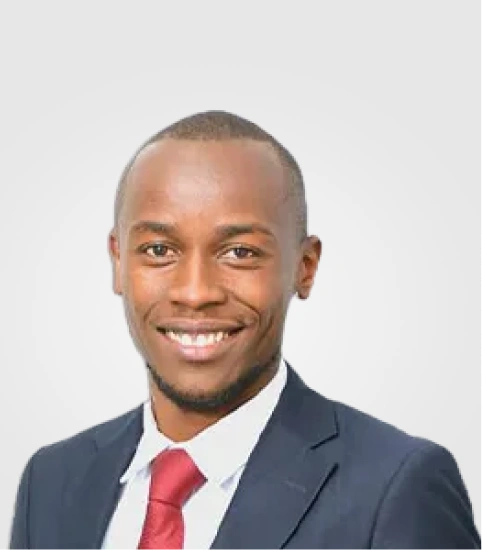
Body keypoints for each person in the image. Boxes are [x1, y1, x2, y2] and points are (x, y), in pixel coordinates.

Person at [9, 110, 481, 550]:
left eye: (240, 253)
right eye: (158, 250)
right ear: (117, 261)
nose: (195, 292)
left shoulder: (396, 487)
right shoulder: (50, 483)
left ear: (305, 267)